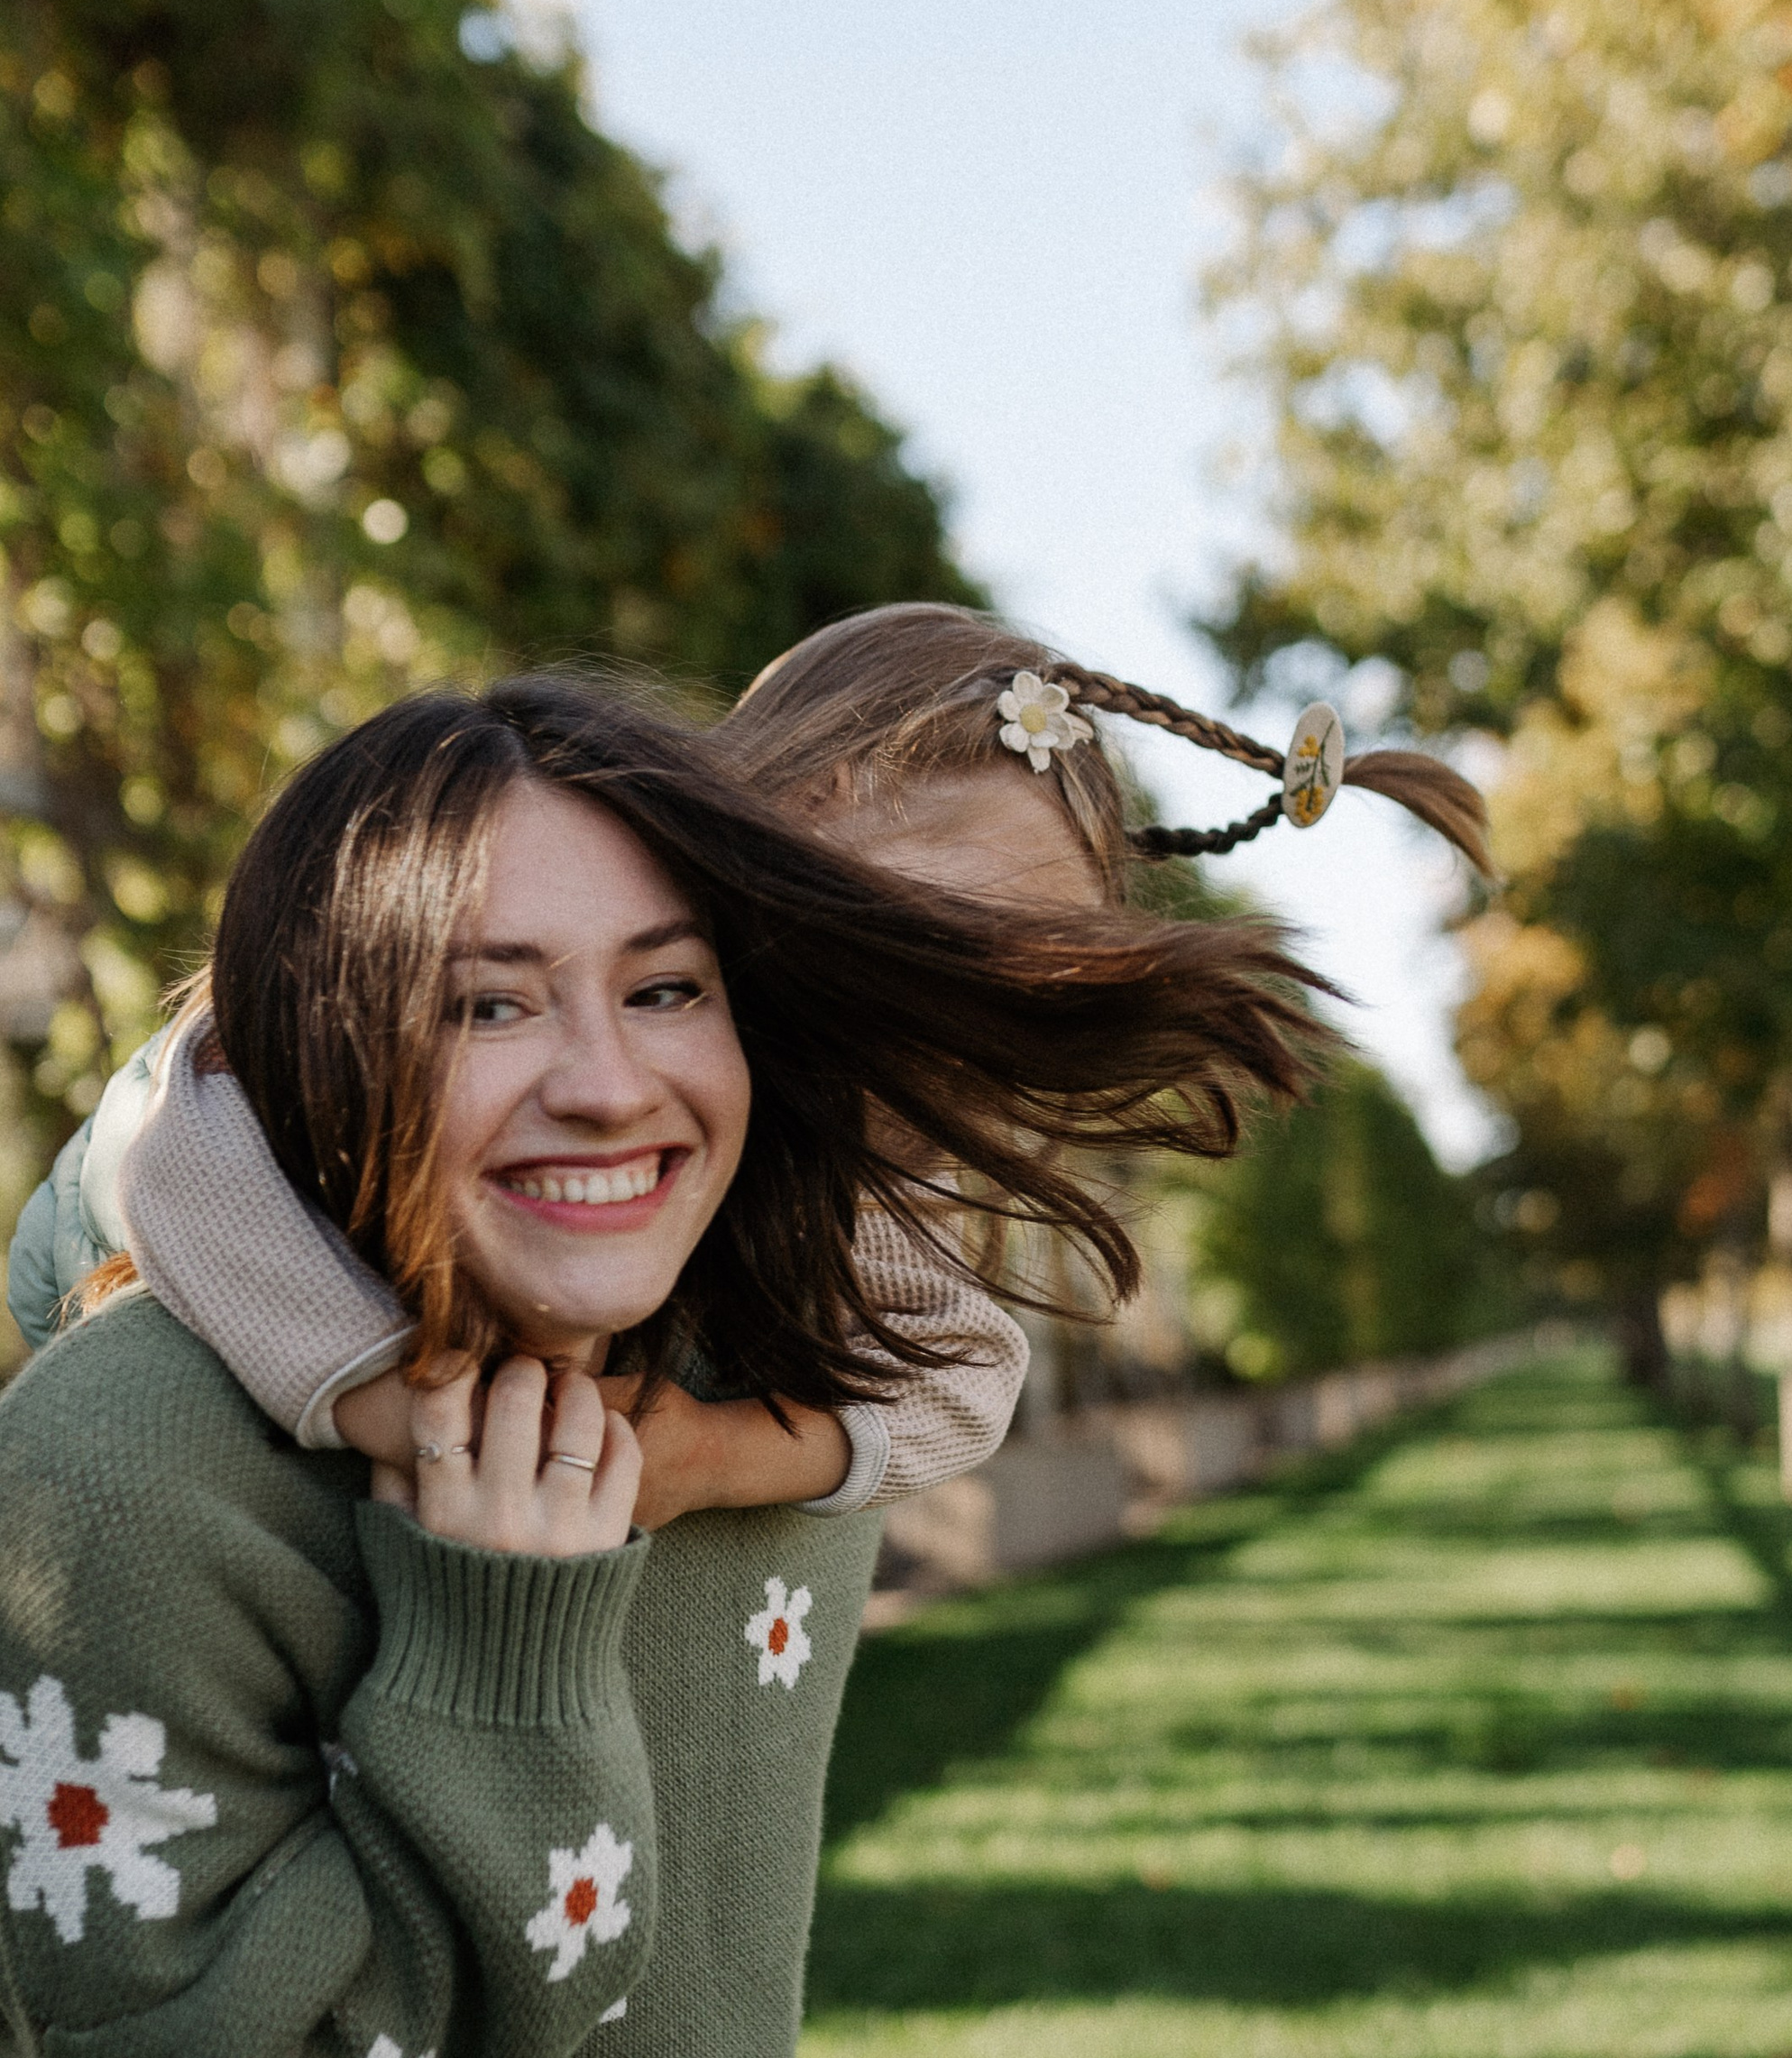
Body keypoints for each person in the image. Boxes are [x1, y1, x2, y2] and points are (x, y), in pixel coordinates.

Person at [0, 673, 1324, 2058]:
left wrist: (715, 1443)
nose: (605, 1071)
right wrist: (452, 1553)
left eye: (667, 986)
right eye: (485, 1000)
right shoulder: (133, 1466)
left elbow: (968, 1343)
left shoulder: (763, 1320)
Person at [7, 606, 1489, 1522]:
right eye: (906, 958)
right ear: (805, 820)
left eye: (981, 1013)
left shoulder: (802, 1106)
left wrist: (705, 1455)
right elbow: (185, 1177)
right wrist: (416, 1414)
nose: (929, 1047)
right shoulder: (565, 899)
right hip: (99, 1264)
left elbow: (968, 1370)